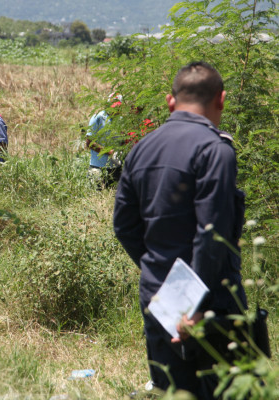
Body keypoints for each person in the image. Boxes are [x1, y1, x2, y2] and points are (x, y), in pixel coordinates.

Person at [113, 62, 247, 399]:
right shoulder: (215, 150)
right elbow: (211, 233)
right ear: (222, 99)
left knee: (172, 391)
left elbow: (124, 226)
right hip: (208, 306)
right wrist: (192, 304)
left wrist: (158, 271)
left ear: (170, 102)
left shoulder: (140, 150)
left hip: (158, 298)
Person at [86, 95, 123, 189]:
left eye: (117, 107)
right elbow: (89, 143)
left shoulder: (121, 119)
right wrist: (109, 152)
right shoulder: (98, 117)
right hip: (98, 168)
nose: (115, 110)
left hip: (115, 168)